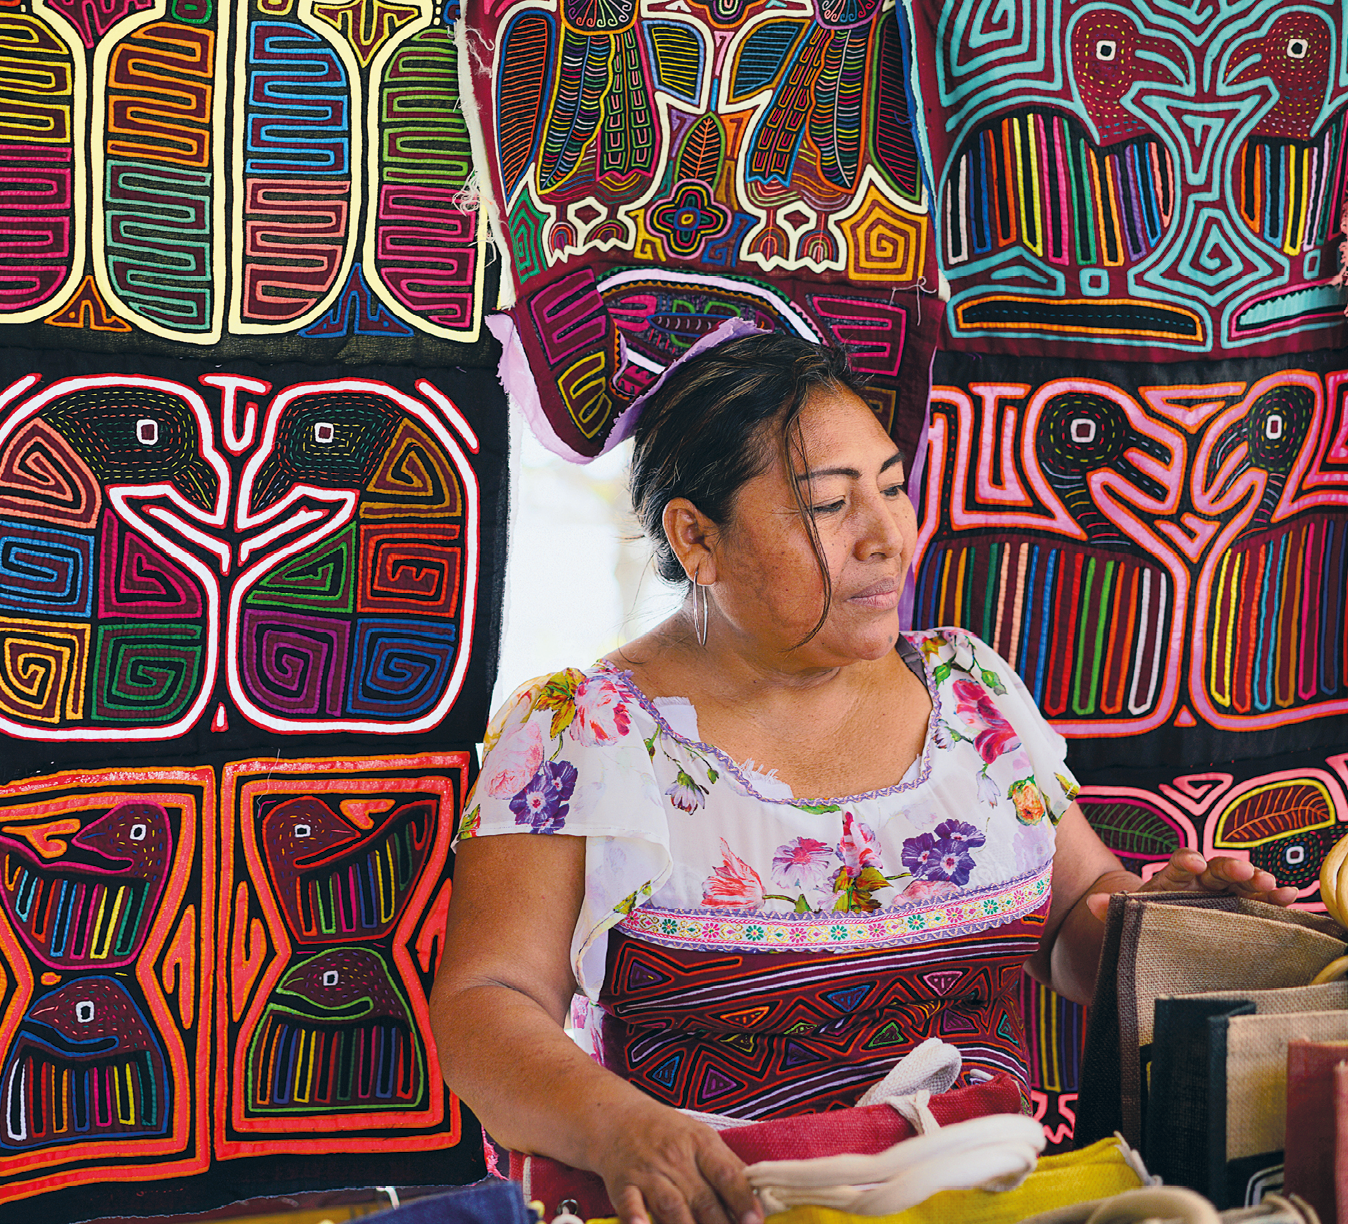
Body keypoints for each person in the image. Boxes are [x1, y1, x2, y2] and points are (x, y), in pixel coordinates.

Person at [430, 330, 1297, 1224]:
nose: (888, 537)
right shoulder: (582, 732)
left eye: (890, 488)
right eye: (830, 505)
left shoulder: (971, 690)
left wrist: (1169, 926)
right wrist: (621, 1132)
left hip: (995, 1197)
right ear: (697, 538)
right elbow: (489, 1002)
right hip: (733, 1202)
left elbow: (1076, 927)